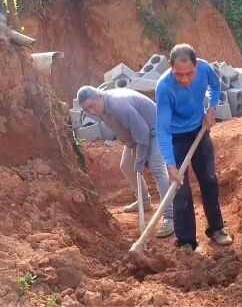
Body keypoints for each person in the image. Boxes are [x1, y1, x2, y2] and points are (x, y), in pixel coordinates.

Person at [155, 43, 233, 250]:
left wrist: (211, 108)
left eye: (189, 73)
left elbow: (215, 86)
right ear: (170, 66)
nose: (185, 79)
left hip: (199, 131)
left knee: (209, 180)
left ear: (196, 65)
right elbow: (162, 129)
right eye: (179, 75)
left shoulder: (205, 68)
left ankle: (216, 228)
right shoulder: (163, 88)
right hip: (176, 138)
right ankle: (186, 240)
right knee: (180, 189)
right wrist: (170, 164)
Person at [77, 86, 174, 238]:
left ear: (100, 96)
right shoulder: (103, 108)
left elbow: (143, 133)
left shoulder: (118, 104)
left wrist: (140, 160)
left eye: (92, 106)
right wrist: (132, 146)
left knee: (156, 167)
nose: (92, 112)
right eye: (86, 109)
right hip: (140, 135)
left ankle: (170, 216)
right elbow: (123, 129)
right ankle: (144, 200)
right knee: (126, 165)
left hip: (156, 129)